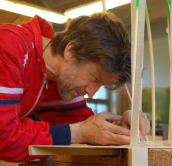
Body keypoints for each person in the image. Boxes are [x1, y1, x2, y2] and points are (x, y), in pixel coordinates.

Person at [0, 12, 150, 162]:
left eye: (100, 85)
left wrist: (122, 126)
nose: (91, 93)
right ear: (71, 52)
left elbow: (89, 127)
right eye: (95, 78)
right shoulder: (10, 46)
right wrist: (79, 133)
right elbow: (3, 137)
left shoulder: (57, 80)